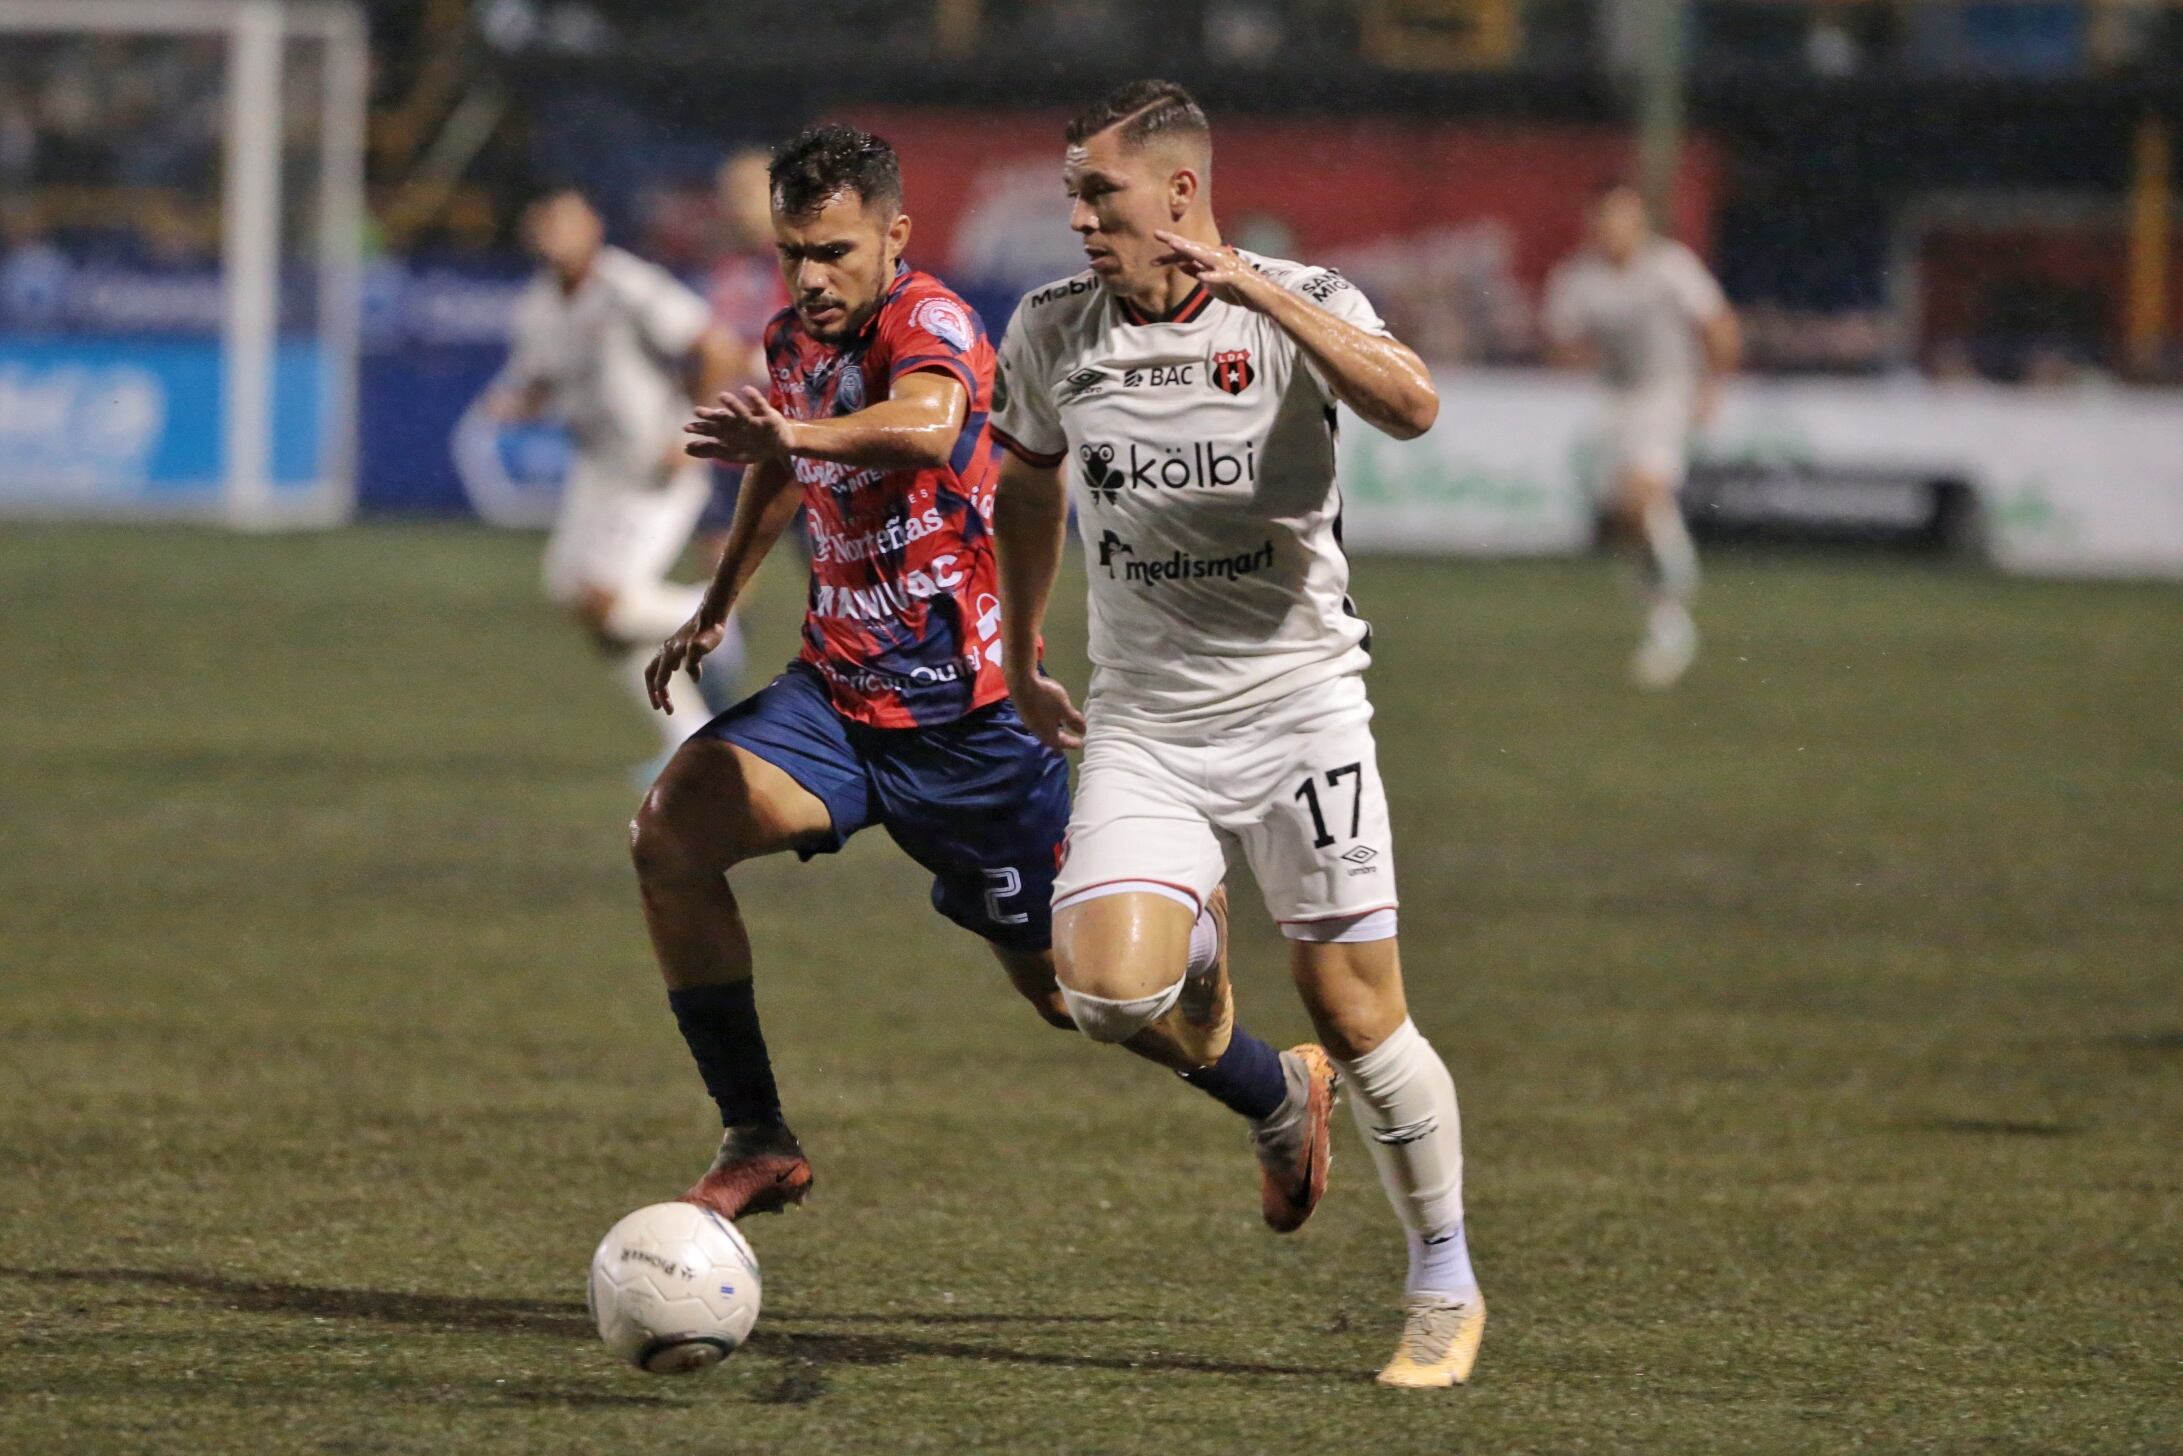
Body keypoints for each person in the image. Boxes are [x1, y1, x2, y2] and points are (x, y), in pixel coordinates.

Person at [633, 124, 1338, 1233]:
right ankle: (756, 1134)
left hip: (971, 732)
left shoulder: (934, 323)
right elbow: (780, 465)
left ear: (893, 235)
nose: (812, 278)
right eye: (793, 253)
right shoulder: (793, 343)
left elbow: (929, 426)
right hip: (837, 700)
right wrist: (714, 604)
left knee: (1070, 996)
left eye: (835, 251)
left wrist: (794, 429)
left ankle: (1277, 1089)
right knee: (669, 832)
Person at [987, 80, 1484, 1389]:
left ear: (1178, 192)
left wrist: (1263, 297)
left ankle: (1442, 1277)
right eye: (1071, 197)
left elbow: (1412, 406)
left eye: (1100, 193)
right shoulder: (1048, 329)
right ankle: (1261, 1071)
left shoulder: (1301, 299)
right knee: (1102, 992)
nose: (1082, 219)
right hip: (1146, 722)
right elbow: (1024, 485)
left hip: (1301, 705)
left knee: (1356, 1008)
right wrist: (1017, 647)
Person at [486, 187, 746, 763]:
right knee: (576, 599)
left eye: (566, 223)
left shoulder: (627, 285)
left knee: (606, 601)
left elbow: (717, 347)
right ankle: (689, 736)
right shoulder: (538, 306)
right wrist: (516, 403)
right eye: (546, 223)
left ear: (593, 229)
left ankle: (711, 617)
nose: (555, 234)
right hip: (598, 466)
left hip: (656, 463)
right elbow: (542, 384)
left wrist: (692, 430)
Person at [1543, 181, 1740, 689]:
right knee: (1630, 520)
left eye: (1623, 220)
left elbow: (1718, 325)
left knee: (1642, 492)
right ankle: (1664, 613)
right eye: (1606, 220)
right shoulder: (1578, 280)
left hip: (1667, 391)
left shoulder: (1671, 268)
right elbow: (1560, 341)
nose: (1613, 231)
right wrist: (1573, 355)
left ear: (1641, 224)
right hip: (1615, 400)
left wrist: (1712, 388)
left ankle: (1678, 595)